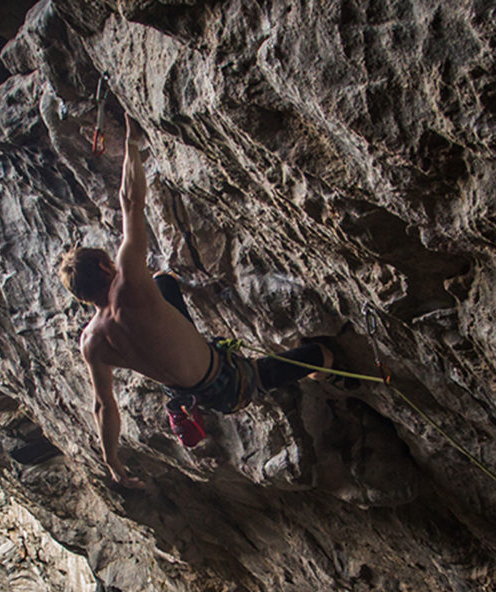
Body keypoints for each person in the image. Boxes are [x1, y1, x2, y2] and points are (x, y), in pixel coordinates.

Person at [59, 115, 332, 486]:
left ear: (80, 296)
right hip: (228, 382)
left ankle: (306, 364)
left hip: (197, 392)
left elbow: (103, 406)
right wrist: (133, 145)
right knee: (314, 357)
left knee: (162, 282)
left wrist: (112, 462)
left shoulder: (91, 343)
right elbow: (131, 203)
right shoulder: (127, 284)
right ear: (107, 266)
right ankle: (323, 365)